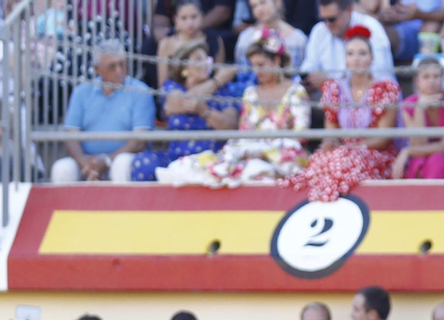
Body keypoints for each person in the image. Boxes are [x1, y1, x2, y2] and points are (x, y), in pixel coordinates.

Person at [160, 32, 311, 186]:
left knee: (266, 167)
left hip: (284, 154)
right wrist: (252, 152)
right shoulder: (251, 92)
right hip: (251, 153)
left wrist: (265, 153)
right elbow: (244, 132)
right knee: (220, 165)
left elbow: (300, 136)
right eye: (253, 66)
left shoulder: (296, 91)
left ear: (276, 61)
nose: (256, 71)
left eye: (261, 65)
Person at [289, 28, 400, 201]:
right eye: (351, 54)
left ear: (372, 58)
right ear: (345, 59)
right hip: (341, 152)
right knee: (318, 163)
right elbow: (331, 131)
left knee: (343, 163)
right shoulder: (335, 89)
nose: (356, 59)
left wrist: (351, 149)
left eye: (362, 53)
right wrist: (330, 142)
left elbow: (383, 138)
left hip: (375, 153)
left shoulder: (385, 88)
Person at [130, 40, 240, 181]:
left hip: (210, 157)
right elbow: (176, 103)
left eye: (207, 58)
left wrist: (204, 111)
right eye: (198, 59)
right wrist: (217, 80)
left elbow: (230, 125)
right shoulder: (172, 87)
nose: (206, 62)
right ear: (184, 68)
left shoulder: (223, 91)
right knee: (143, 162)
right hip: (175, 157)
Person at [52, 41, 155, 183]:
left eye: (122, 64)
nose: (119, 70)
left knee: (122, 164)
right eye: (112, 66)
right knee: (61, 169)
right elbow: (71, 136)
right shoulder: (82, 91)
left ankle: (125, 206)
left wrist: (106, 161)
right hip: (88, 160)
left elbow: (139, 142)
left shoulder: (140, 91)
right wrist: (86, 164)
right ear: (97, 69)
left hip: (121, 158)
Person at [393, 56, 444, 179]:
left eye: (436, 76)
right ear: (417, 81)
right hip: (421, 156)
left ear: (442, 78)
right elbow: (418, 143)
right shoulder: (408, 105)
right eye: (426, 77)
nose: (431, 81)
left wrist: (408, 151)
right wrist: (420, 108)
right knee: (417, 164)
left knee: (437, 161)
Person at [302, 0, 394, 90]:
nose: (327, 24)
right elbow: (309, 66)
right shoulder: (319, 30)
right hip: (332, 98)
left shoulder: (371, 27)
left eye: (332, 19)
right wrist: (310, 78)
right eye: (323, 19)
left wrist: (330, 82)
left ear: (349, 10)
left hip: (373, 98)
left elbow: (381, 75)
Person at [157, 0, 220, 85]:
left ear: (201, 16)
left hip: (207, 93)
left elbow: (218, 76)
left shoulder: (214, 40)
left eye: (194, 17)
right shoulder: (166, 44)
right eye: (184, 18)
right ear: (176, 19)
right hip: (176, 95)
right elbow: (163, 84)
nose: (189, 23)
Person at [235, 0, 308, 69]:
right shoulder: (246, 37)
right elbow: (242, 69)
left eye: (263, 3)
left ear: (277, 2)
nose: (259, 9)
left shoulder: (297, 38)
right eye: (254, 6)